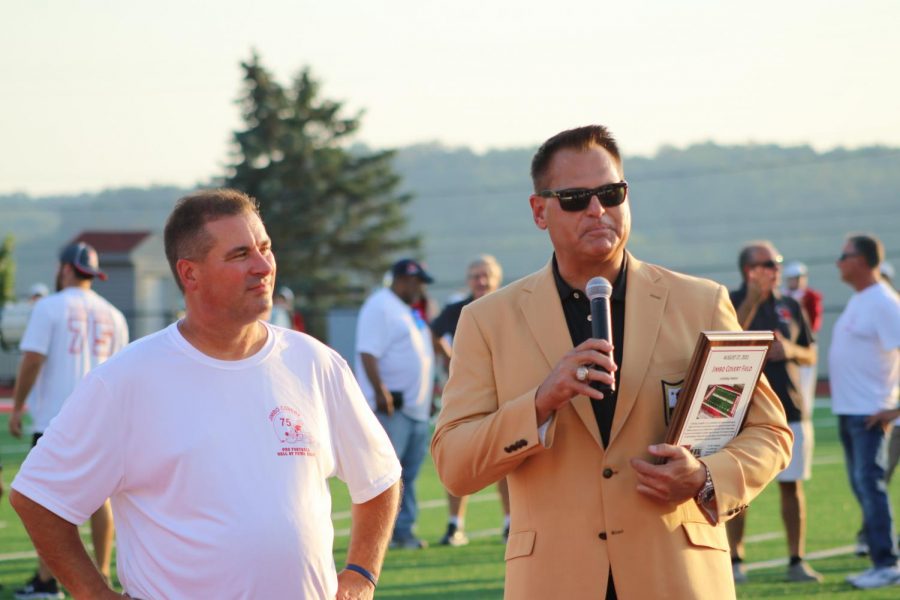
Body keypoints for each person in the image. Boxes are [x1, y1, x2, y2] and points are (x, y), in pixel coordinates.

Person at [431, 125, 792, 599]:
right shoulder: (487, 321)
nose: (598, 210)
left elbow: (769, 432)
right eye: (576, 198)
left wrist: (705, 477)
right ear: (540, 211)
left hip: (676, 577)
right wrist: (540, 403)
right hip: (554, 581)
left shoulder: (700, 302)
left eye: (611, 193)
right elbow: (454, 463)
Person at [10, 189, 401, 599]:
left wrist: (360, 575)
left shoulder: (315, 362)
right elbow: (38, 497)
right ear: (190, 274)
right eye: (240, 255)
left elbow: (380, 477)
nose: (263, 266)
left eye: (265, 248)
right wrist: (95, 593)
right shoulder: (127, 380)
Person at [9, 242, 129, 600]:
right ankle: (103, 573)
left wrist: (17, 407)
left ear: (64, 269)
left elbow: (32, 360)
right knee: (101, 499)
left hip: (57, 419)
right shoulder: (114, 314)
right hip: (105, 422)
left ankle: (46, 582)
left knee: (46, 503)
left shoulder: (48, 307)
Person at [727, 242, 822, 583]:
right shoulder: (728, 301)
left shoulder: (789, 306)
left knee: (792, 487)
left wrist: (790, 349)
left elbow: (811, 353)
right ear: (749, 270)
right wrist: (752, 299)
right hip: (741, 410)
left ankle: (797, 560)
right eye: (769, 263)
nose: (776, 269)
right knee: (737, 485)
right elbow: (725, 339)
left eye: (778, 262)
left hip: (790, 407)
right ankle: (735, 560)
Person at [829, 233, 900, 589]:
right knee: (864, 489)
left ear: (861, 260)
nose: (839, 262)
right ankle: (883, 555)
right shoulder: (862, 300)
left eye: (844, 255)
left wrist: (894, 410)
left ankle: (886, 564)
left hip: (870, 414)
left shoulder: (885, 303)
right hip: (850, 412)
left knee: (871, 488)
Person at [431, 254, 511, 546]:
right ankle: (455, 525)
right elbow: (434, 331)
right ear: (468, 280)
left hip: (504, 393)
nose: (481, 280)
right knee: (459, 457)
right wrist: (452, 360)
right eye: (476, 275)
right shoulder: (457, 310)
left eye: (486, 274)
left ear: (497, 279)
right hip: (466, 396)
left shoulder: (510, 305)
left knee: (507, 456)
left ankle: (510, 523)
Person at [355, 258, 435, 550]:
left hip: (415, 409)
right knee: (384, 475)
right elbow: (367, 352)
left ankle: (402, 533)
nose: (420, 288)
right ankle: (377, 536)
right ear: (402, 279)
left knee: (407, 476)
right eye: (417, 282)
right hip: (393, 408)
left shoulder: (407, 311)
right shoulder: (381, 305)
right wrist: (381, 392)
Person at [783, 260, 823, 410]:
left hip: (804, 345)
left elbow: (814, 323)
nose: (797, 281)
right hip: (789, 346)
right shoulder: (783, 296)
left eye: (799, 277)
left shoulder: (811, 296)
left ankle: (804, 410)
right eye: (793, 278)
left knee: (806, 383)